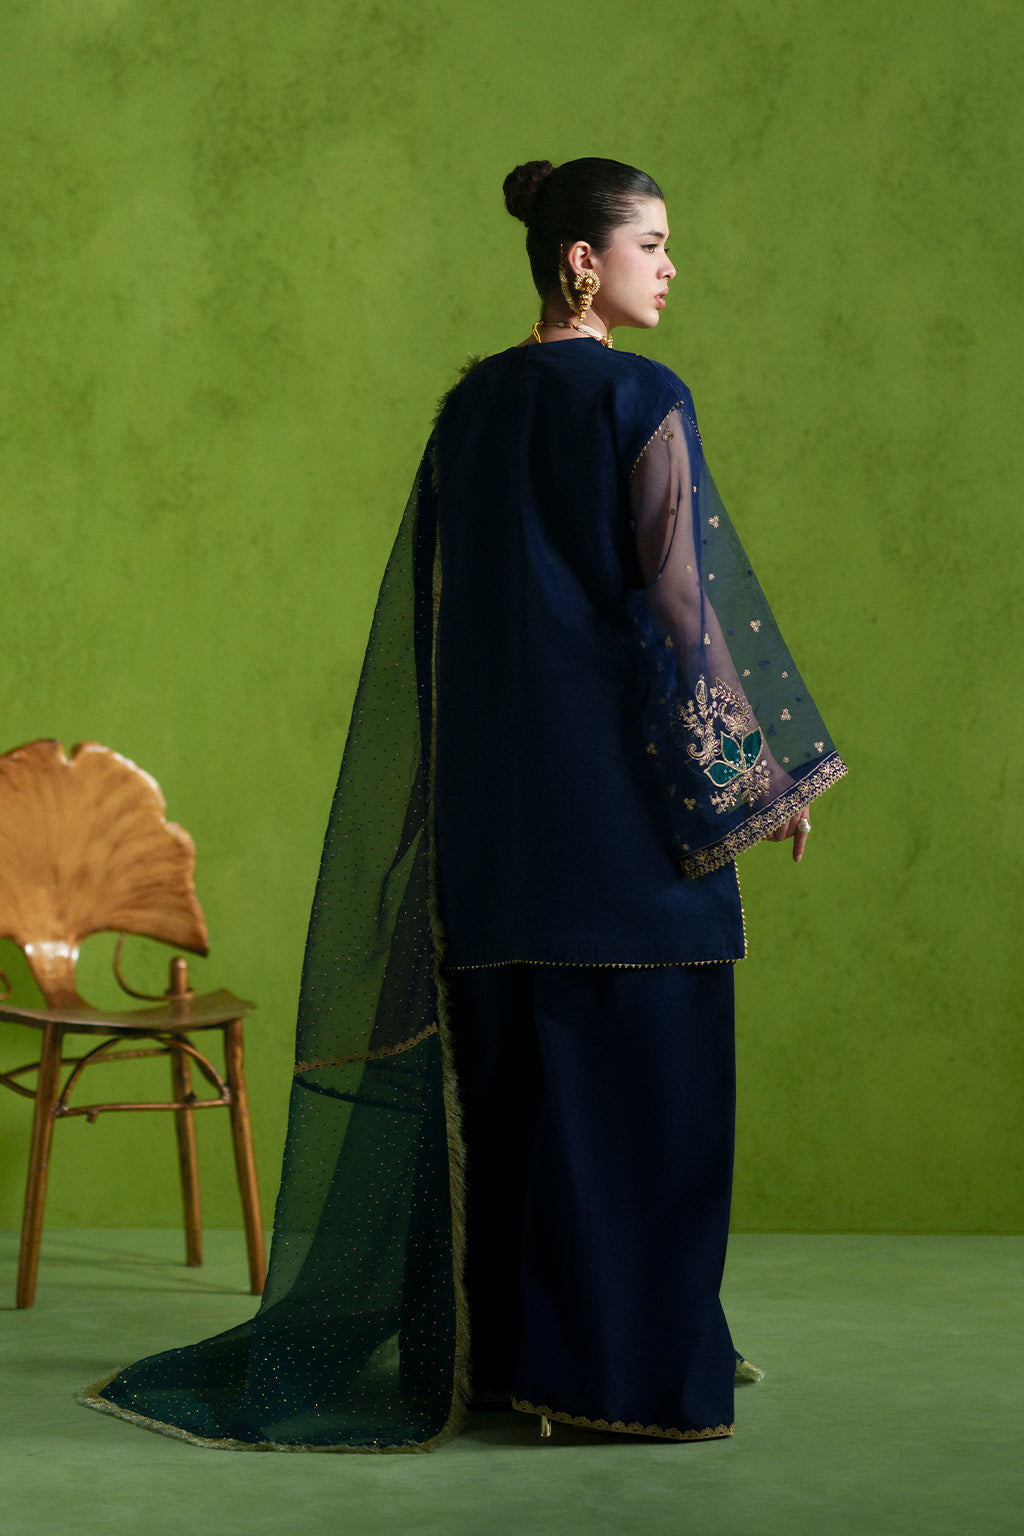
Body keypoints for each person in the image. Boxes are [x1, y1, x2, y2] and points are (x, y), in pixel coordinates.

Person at [81, 157, 846, 1452]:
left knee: (515, 1105)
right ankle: (622, 1377)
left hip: (493, 835)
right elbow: (680, 611)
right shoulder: (644, 398)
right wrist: (752, 781)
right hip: (624, 831)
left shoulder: (467, 413)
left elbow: (443, 631)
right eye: (653, 244)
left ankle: (505, 1368)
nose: (672, 268)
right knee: (645, 1103)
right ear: (583, 263)